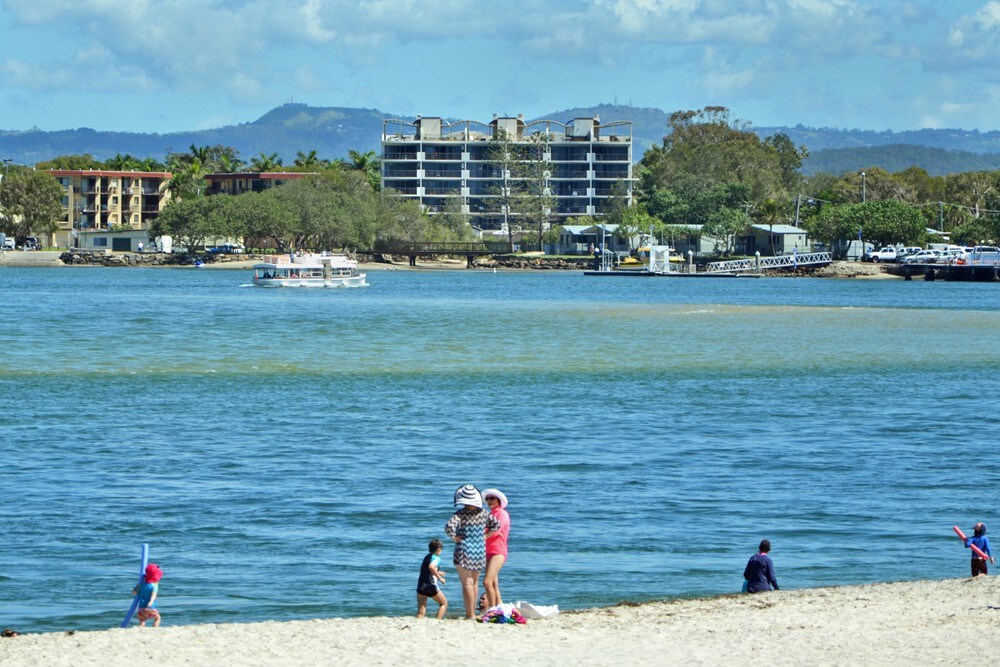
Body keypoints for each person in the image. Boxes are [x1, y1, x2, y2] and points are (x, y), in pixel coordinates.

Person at [444, 484, 500, 619]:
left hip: (464, 552)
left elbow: (448, 528)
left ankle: (470, 614)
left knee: (467, 584)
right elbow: (496, 525)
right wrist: (485, 536)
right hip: (480, 552)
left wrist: (454, 538)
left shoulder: (460, 514)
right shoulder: (484, 513)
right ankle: (473, 613)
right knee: (474, 583)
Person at [482, 488, 510, 609]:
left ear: (498, 500)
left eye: (492, 498)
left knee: (487, 582)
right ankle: (499, 606)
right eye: (487, 498)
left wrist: (483, 537)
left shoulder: (502, 513)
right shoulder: (490, 515)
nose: (489, 501)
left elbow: (496, 529)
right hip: (488, 551)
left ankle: (492, 609)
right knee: (493, 583)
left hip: (498, 551)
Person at [416, 539, 448, 619]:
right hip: (430, 585)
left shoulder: (426, 557)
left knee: (421, 610)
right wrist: (440, 578)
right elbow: (431, 567)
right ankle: (437, 621)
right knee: (443, 604)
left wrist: (437, 571)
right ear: (439, 550)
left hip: (421, 585)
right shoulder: (436, 558)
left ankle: (418, 623)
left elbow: (422, 569)